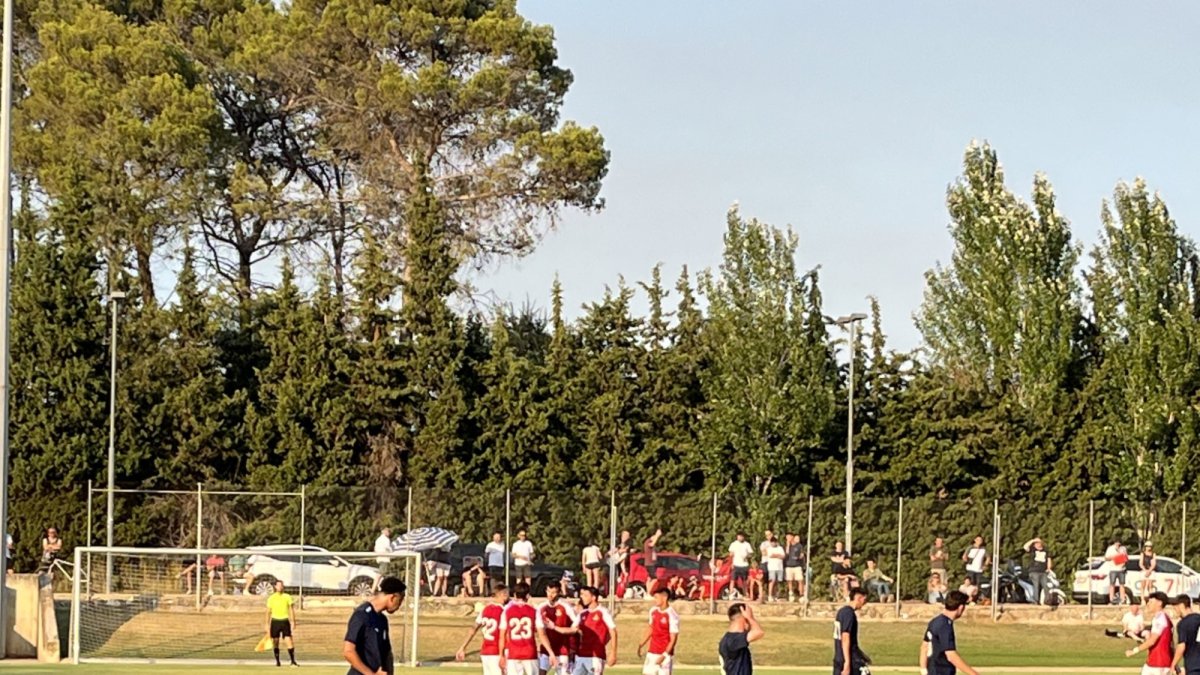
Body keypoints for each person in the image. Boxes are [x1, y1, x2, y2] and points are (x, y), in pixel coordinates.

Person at [547, 586, 617, 675]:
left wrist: (613, 652)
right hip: (581, 655)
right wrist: (554, 627)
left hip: (595, 657)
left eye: (585, 595)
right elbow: (572, 630)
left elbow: (613, 631)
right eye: (582, 595)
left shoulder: (603, 612)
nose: (582, 597)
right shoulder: (583, 614)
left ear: (593, 597)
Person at [343, 576, 406, 675]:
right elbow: (348, 652)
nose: (399, 605)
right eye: (400, 600)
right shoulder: (361, 615)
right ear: (392, 597)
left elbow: (387, 654)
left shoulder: (382, 620)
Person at [500, 582, 556, 675]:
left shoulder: (507, 611)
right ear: (528, 596)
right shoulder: (534, 611)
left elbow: (502, 635)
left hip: (513, 653)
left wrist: (501, 655)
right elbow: (542, 634)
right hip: (530, 652)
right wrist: (551, 653)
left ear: (514, 595)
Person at [919, 590, 978, 675]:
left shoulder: (935, 621)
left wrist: (923, 670)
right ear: (961, 607)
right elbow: (951, 655)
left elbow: (924, 647)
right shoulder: (945, 625)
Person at [455, 583, 510, 675]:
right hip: (497, 651)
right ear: (502, 595)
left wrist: (463, 647)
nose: (509, 597)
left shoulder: (485, 610)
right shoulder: (504, 612)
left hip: (485, 652)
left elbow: (473, 629)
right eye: (507, 594)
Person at [1124, 591, 1173, 675]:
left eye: (1151, 602)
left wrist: (1134, 651)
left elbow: (1152, 641)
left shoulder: (1160, 618)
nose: (1148, 604)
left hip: (1159, 663)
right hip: (1154, 662)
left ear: (1159, 603)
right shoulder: (1160, 618)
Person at [639, 587, 679, 675]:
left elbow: (673, 639)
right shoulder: (653, 611)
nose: (655, 600)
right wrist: (641, 644)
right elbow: (651, 628)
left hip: (664, 654)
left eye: (657, 597)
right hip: (652, 652)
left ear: (664, 597)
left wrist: (664, 655)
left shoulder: (672, 615)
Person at [538, 585, 576, 675]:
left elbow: (576, 627)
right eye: (548, 591)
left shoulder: (565, 607)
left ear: (559, 593)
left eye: (553, 592)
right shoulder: (541, 607)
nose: (550, 595)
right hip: (546, 649)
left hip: (562, 649)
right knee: (541, 672)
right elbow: (540, 631)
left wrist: (560, 629)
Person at [718, 603, 764, 675]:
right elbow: (759, 632)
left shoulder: (730, 639)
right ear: (744, 618)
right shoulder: (733, 640)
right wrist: (750, 618)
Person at [834, 587, 870, 675]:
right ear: (859, 598)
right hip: (851, 660)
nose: (864, 603)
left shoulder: (841, 612)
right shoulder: (849, 614)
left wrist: (860, 654)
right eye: (864, 600)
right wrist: (847, 662)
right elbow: (845, 637)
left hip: (840, 658)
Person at [266, 579, 298, 668]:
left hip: (284, 621)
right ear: (275, 587)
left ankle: (293, 661)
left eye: (281, 585)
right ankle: (277, 661)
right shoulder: (271, 598)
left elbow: (291, 610)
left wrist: (293, 621)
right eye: (278, 585)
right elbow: (268, 611)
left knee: (289, 641)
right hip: (275, 621)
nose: (280, 587)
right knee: (275, 642)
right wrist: (266, 624)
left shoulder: (287, 597)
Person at [1172, 594, 1200, 675]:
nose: (1175, 610)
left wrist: (1173, 665)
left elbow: (1181, 646)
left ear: (1181, 606)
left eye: (1175, 608)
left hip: (1193, 666)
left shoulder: (1183, 624)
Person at [1023, 538, 1053, 605]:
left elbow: (1049, 559)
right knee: (1036, 586)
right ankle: (1036, 601)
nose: (1037, 544)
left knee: (1046, 585)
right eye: (1036, 543)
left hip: (1043, 571)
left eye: (1038, 543)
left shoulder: (1046, 550)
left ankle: (1047, 600)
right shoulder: (1032, 549)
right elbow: (1025, 547)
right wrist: (1033, 540)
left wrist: (1049, 568)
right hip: (1034, 571)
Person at [1106, 537, 1130, 605]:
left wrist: (1124, 560)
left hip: (1121, 569)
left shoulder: (1123, 548)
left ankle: (1122, 599)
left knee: (1122, 585)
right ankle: (1111, 599)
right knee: (1112, 584)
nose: (1118, 544)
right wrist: (1113, 557)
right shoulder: (1110, 548)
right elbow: (1106, 558)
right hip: (1113, 569)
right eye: (1117, 542)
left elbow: (1126, 558)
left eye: (1119, 542)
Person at [728, 533, 753, 598]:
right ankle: (731, 594)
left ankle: (745, 594)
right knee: (733, 579)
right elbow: (730, 554)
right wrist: (732, 562)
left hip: (744, 565)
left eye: (742, 536)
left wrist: (747, 556)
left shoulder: (747, 544)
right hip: (736, 564)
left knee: (745, 580)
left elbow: (750, 554)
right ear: (737, 537)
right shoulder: (733, 544)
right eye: (739, 536)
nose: (740, 537)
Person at [783, 533, 806, 602]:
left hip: (797, 565)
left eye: (789, 537)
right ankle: (791, 594)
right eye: (787, 537)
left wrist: (800, 557)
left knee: (800, 580)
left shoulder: (798, 546)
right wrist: (788, 545)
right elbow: (786, 554)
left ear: (792, 537)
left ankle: (801, 595)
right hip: (789, 565)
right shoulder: (786, 546)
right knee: (789, 580)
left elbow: (802, 554)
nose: (788, 539)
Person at [763, 537, 785, 602]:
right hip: (772, 568)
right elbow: (770, 555)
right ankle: (770, 595)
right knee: (772, 581)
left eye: (774, 542)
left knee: (777, 582)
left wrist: (776, 555)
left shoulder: (780, 548)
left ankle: (775, 595)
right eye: (772, 542)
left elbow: (783, 556)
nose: (773, 543)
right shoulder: (769, 549)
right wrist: (778, 555)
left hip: (779, 567)